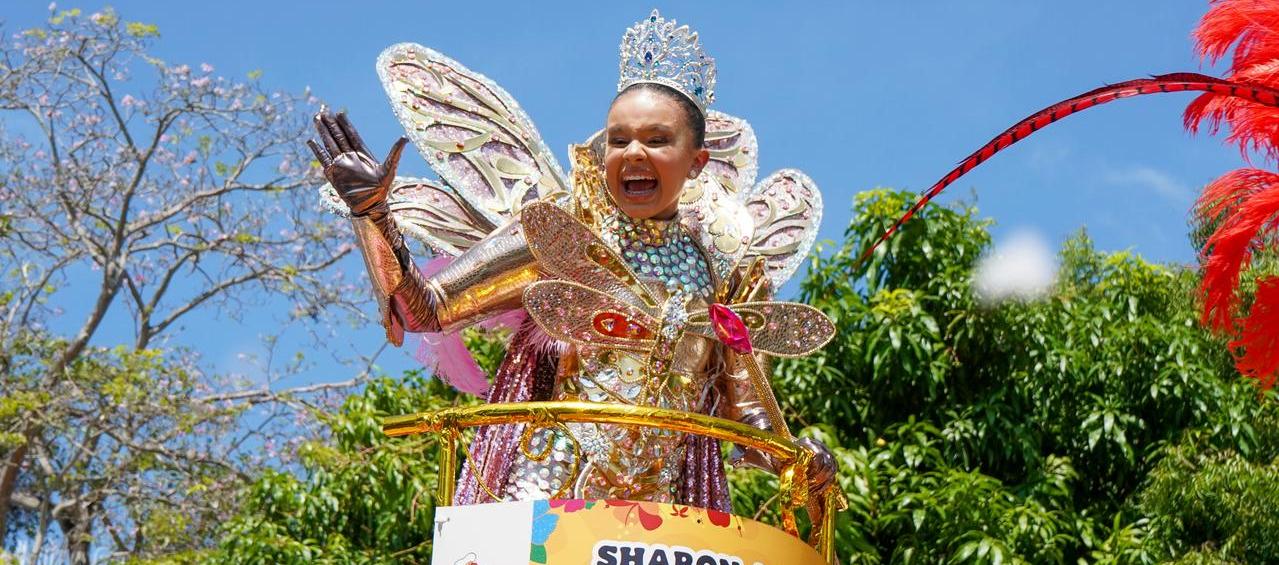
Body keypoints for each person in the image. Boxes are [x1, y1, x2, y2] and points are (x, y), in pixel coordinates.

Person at [307, 10, 834, 513]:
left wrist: (801, 459)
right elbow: (422, 313)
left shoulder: (728, 274)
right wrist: (373, 215)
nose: (633, 153)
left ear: (696, 162)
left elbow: (749, 417)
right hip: (541, 501)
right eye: (618, 139)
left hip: (661, 523)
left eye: (657, 140)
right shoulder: (560, 236)